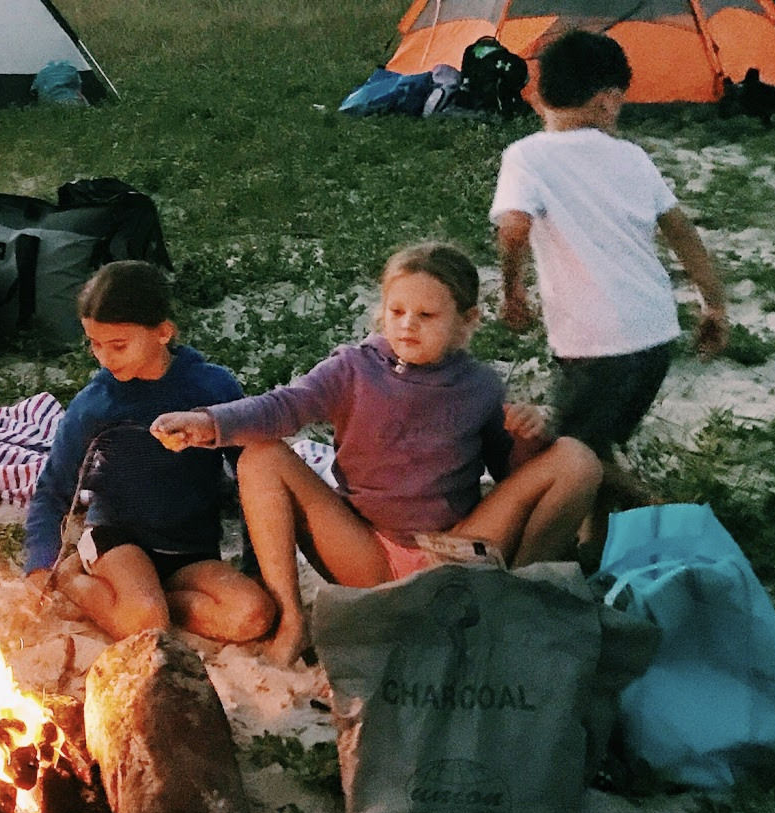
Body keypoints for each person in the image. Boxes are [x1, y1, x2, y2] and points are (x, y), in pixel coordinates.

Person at [152, 243, 601, 664]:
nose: (408, 324)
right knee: (260, 456)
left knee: (576, 459)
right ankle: (292, 617)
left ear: (467, 322)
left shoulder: (479, 385)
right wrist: (209, 422)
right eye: (397, 311)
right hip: (368, 551)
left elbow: (508, 472)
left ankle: (515, 593)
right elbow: (285, 406)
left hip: (456, 546)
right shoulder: (354, 369)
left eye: (427, 315)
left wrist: (526, 436)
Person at [493, 29, 729, 475]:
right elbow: (681, 232)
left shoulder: (527, 156)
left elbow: (513, 229)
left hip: (594, 342)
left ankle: (649, 511)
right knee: (597, 446)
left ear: (538, 95)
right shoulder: (633, 158)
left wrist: (512, 291)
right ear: (607, 100)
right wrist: (713, 304)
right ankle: (599, 539)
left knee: (570, 458)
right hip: (656, 333)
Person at [24, 261, 275, 643]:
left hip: (190, 550)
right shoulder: (94, 407)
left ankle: (147, 604)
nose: (105, 358)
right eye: (95, 344)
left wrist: (255, 565)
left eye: (118, 345)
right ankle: (74, 580)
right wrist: (41, 564)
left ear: (162, 332)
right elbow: (53, 488)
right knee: (146, 626)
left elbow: (251, 477)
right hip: (118, 540)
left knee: (252, 616)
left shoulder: (212, 387)